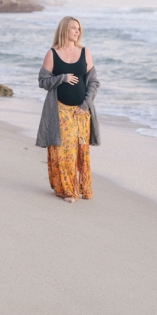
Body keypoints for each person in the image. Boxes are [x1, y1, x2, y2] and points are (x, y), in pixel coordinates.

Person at [37, 16, 100, 203]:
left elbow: (94, 81)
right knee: (65, 151)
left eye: (79, 29)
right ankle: (68, 190)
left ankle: (81, 188)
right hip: (60, 110)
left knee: (80, 151)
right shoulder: (52, 54)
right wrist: (62, 78)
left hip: (82, 112)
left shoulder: (85, 52)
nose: (77, 32)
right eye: (74, 28)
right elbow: (43, 82)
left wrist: (85, 104)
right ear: (64, 29)